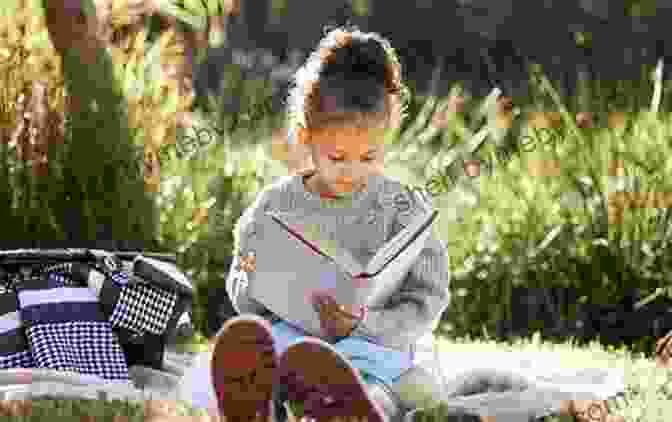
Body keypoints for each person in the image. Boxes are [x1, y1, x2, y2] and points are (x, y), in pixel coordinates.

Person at [176, 24, 625, 422]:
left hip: (375, 356)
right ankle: (272, 404)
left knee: (399, 391)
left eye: (368, 157)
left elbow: (426, 302)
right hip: (293, 351)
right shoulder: (274, 206)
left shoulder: (402, 209)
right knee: (263, 354)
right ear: (305, 137)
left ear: (385, 136)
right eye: (336, 158)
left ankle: (350, 409)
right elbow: (245, 294)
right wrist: (249, 279)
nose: (352, 171)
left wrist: (362, 324)